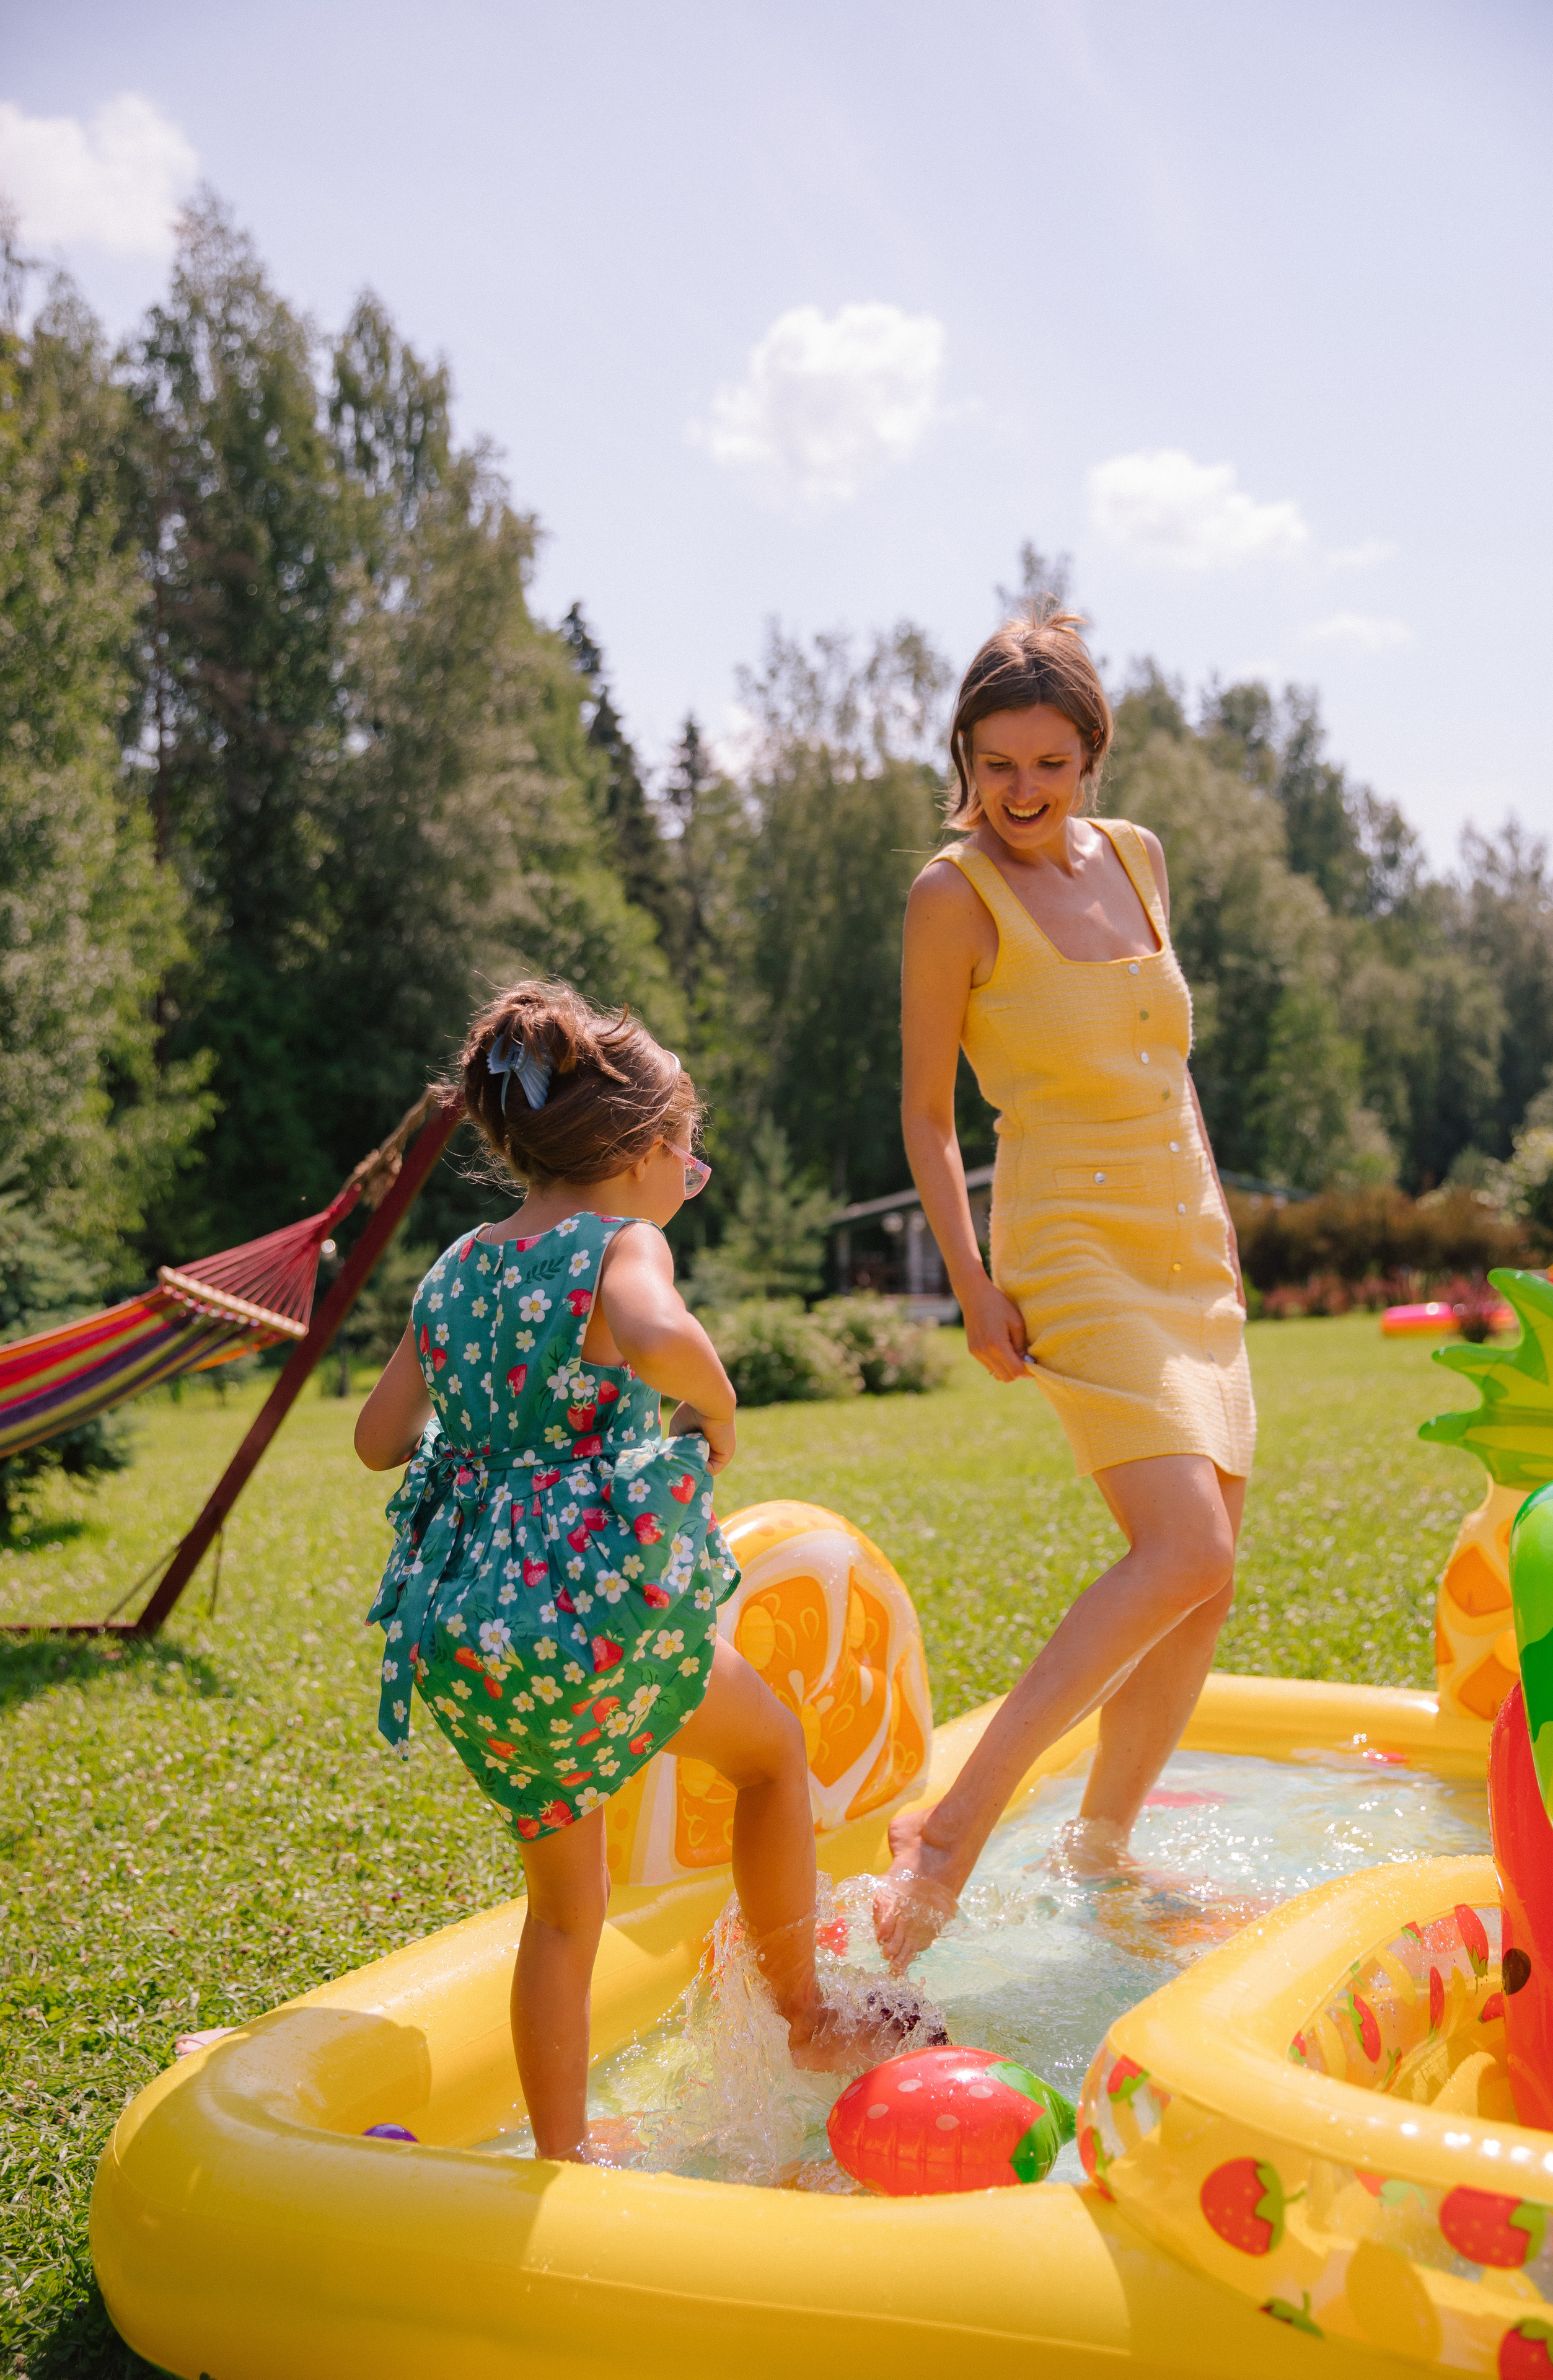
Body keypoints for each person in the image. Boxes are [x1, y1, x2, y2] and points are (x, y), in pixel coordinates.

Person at [357, 982, 911, 2160]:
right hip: (600, 1616)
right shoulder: (621, 1243)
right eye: (689, 1155)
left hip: (476, 1631)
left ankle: (563, 2155)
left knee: (564, 1915)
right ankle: (806, 2011)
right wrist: (716, 1409)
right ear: (645, 1154)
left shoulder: (456, 1265)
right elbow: (658, 1333)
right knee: (770, 1759)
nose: (690, 1177)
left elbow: (375, 1436)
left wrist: (492, 1442)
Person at [877, 609, 1256, 1970]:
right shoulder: (950, 896)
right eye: (994, 767)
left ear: (1090, 755)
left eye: (1047, 764)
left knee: (1203, 1584)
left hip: (1186, 1248)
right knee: (1183, 1547)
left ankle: (1099, 1855)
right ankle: (952, 1826)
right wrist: (974, 1286)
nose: (1021, 794)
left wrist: (1214, 1225)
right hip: (1069, 1245)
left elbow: (1172, 1069)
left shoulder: (1140, 861)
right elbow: (925, 1115)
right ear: (963, 763)